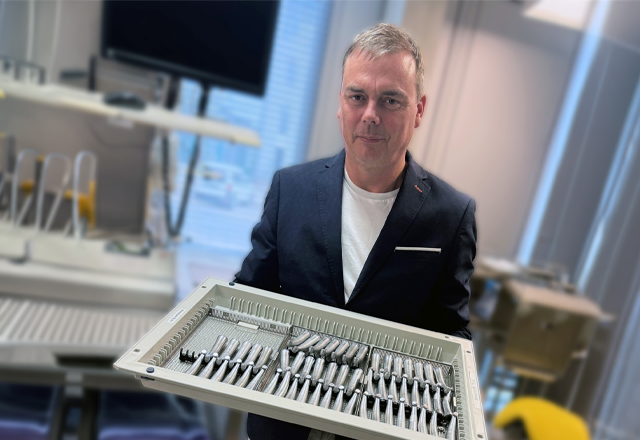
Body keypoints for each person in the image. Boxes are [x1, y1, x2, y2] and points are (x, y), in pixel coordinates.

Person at [234, 23, 476, 440]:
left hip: (381, 426)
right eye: (357, 96)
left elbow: (451, 337)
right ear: (340, 103)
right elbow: (250, 296)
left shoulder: (452, 215)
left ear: (419, 110)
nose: (370, 115)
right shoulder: (290, 189)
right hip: (281, 420)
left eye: (390, 100)